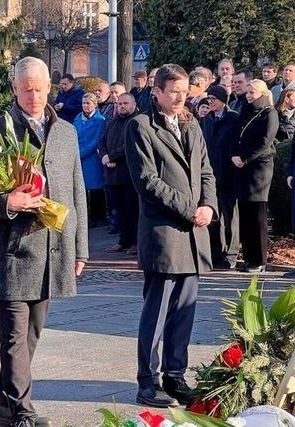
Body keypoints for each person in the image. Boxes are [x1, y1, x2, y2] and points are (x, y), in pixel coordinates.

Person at [0, 56, 88, 427]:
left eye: (40, 89)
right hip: (12, 251)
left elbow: (76, 191)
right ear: (14, 89)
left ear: (50, 88)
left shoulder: (66, 132)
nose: (34, 97)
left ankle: (5, 411)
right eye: (26, 90)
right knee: (14, 339)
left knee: (32, 336)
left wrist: (80, 247)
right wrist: (7, 202)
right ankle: (23, 411)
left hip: (52, 250)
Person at [125, 64, 218, 408]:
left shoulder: (192, 124)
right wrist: (190, 208)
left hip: (194, 235)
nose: (180, 97)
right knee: (158, 313)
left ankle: (175, 376)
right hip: (164, 233)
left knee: (184, 312)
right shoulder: (140, 126)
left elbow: (206, 169)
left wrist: (208, 205)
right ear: (157, 92)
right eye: (173, 91)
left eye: (184, 91)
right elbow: (147, 182)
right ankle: (147, 383)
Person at [232, 79, 279, 273]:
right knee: (245, 211)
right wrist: (235, 155)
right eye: (248, 92)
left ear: (262, 93)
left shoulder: (269, 113)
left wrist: (245, 158)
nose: (249, 96)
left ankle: (259, 260)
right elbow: (237, 135)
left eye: (252, 92)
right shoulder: (245, 110)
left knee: (257, 212)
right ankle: (249, 258)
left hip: (259, 167)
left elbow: (265, 141)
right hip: (242, 165)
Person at [202, 85, 241, 270]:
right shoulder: (207, 119)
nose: (210, 103)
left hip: (228, 173)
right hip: (211, 174)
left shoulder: (233, 118)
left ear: (222, 100)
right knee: (214, 216)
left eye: (213, 99)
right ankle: (215, 253)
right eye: (208, 99)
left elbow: (235, 144)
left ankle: (231, 255)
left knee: (230, 216)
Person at [99, 92, 139, 254]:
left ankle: (136, 242)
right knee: (119, 210)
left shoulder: (136, 121)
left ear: (133, 105)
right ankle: (124, 240)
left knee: (132, 210)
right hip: (111, 174)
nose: (121, 106)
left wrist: (112, 156)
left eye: (125, 103)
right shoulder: (114, 121)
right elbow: (102, 140)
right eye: (119, 104)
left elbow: (131, 145)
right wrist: (104, 156)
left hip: (128, 174)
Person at [74, 93, 106, 227]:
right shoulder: (77, 118)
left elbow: (97, 140)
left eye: (88, 103)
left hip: (92, 157)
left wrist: (81, 152)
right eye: (83, 103)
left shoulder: (100, 120)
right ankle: (86, 216)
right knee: (82, 188)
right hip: (79, 155)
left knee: (95, 187)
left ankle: (98, 216)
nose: (85, 106)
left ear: (95, 104)